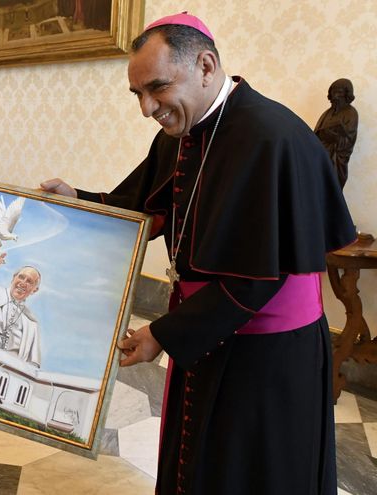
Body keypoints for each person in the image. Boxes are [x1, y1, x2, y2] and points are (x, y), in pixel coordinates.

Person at [41, 12, 354, 495]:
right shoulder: (183, 133)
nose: (147, 108)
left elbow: (257, 277)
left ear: (206, 66)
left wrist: (162, 334)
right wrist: (78, 201)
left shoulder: (272, 138)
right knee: (202, 463)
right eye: (137, 94)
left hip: (265, 354)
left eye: (157, 89)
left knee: (251, 470)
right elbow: (146, 207)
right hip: (209, 330)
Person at [314, 78, 358, 189]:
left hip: (337, 160)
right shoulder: (326, 113)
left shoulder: (351, 113)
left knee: (333, 189)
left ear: (347, 94)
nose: (335, 96)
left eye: (339, 92)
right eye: (333, 92)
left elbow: (349, 140)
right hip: (321, 157)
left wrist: (333, 137)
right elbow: (315, 136)